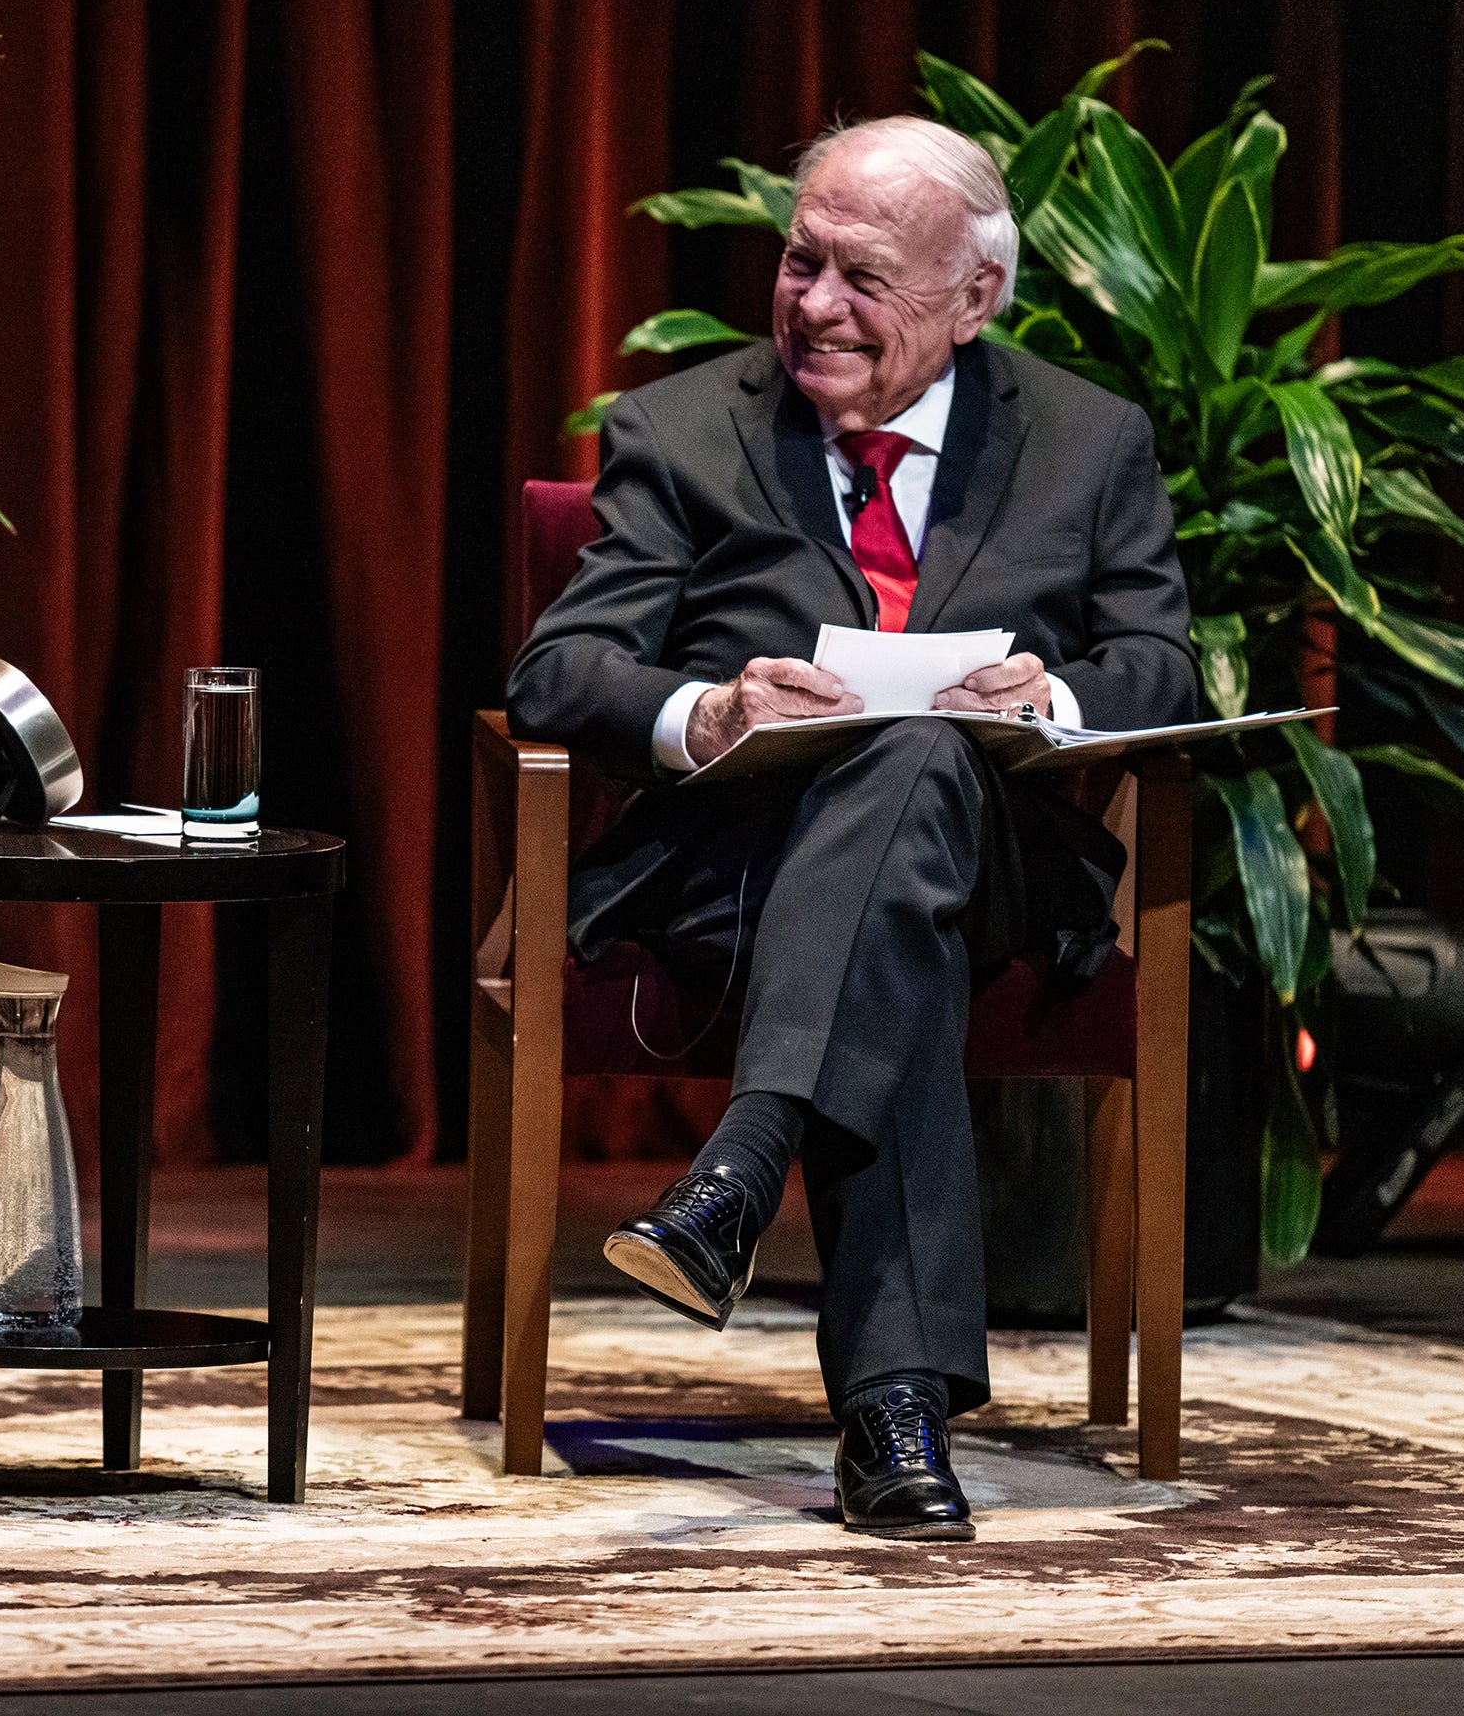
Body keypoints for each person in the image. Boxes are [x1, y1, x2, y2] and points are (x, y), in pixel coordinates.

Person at [505, 115, 1194, 1541]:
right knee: (896, 895)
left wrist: (1052, 690)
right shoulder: (683, 430)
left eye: (864, 276)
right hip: (739, 868)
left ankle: (739, 1172)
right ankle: (894, 1416)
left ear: (975, 297)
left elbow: (1163, 666)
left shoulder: (1086, 440)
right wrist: (707, 711)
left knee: (923, 766)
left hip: (997, 859)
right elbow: (558, 670)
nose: (815, 302)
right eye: (800, 259)